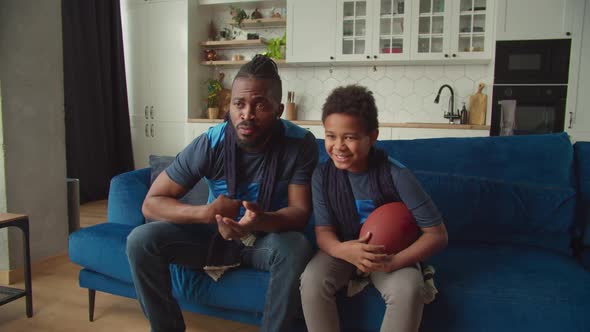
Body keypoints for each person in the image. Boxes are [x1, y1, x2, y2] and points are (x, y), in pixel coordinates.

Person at [126, 54, 318, 332]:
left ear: (278, 110)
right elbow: (152, 204)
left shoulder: (300, 144)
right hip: (211, 235)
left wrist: (259, 220)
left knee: (296, 248)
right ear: (229, 106)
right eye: (239, 104)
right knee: (140, 240)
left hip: (265, 239)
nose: (247, 114)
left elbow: (299, 213)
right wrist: (205, 213)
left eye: (260, 105)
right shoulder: (210, 143)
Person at [300, 85, 448, 332]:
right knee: (312, 282)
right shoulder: (321, 176)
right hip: (343, 249)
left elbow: (437, 234)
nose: (339, 146)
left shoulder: (397, 175)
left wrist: (394, 262)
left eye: (350, 137)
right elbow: (324, 232)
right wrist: (341, 249)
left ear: (373, 136)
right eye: (331, 136)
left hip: (390, 253)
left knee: (409, 289)